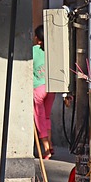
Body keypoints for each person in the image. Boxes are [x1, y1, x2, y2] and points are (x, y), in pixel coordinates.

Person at [33, 24, 55, 159]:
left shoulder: (34, 51)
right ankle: (50, 144)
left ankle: (46, 149)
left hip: (38, 89)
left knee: (39, 118)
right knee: (46, 117)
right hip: (51, 88)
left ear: (38, 39)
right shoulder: (53, 51)